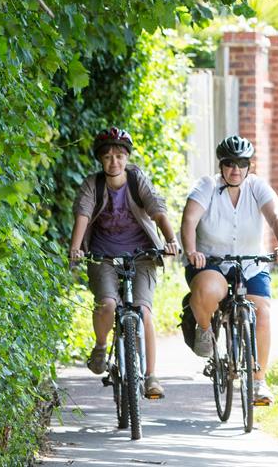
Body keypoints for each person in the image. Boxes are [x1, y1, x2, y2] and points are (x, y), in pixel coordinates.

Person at [69, 127, 180, 399]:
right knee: (107, 303)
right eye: (107, 157)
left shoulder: (136, 179)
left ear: (127, 157)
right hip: (102, 254)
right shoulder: (92, 184)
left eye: (119, 155)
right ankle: (100, 346)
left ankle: (151, 376)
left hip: (142, 254)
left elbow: (156, 210)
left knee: (143, 310)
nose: (114, 161)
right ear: (100, 160)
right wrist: (75, 249)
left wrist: (171, 240)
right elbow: (82, 216)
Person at [182, 135, 278, 406]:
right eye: (230, 164)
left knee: (262, 313)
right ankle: (205, 330)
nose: (236, 170)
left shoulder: (257, 187)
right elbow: (190, 218)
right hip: (212, 262)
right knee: (208, 290)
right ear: (221, 165)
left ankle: (258, 382)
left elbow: (275, 215)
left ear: (249, 166)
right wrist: (192, 250)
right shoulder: (206, 186)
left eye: (242, 164)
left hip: (251, 264)